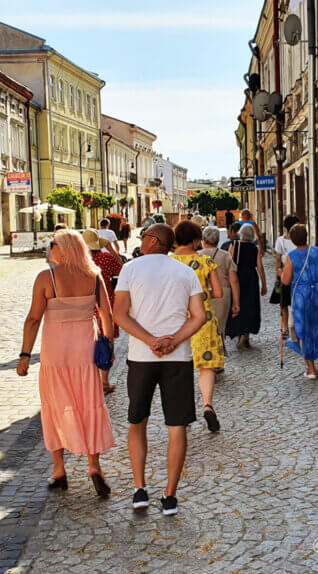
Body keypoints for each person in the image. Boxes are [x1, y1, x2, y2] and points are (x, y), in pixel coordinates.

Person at [113, 223, 207, 516]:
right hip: (177, 358)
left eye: (143, 237)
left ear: (153, 241)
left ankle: (140, 489)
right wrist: (174, 341)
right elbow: (199, 316)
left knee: (137, 422)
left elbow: (119, 314)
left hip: (142, 356)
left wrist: (150, 341)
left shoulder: (131, 269)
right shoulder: (185, 272)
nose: (141, 241)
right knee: (177, 427)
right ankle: (170, 495)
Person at [17, 231, 115, 497]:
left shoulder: (46, 278)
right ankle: (94, 466)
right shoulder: (93, 275)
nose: (50, 249)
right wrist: (108, 346)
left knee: (55, 406)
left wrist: (25, 354)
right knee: (90, 404)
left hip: (56, 353)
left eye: (53, 245)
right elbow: (106, 314)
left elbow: (33, 319)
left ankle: (59, 470)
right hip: (84, 349)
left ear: (65, 249)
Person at [170, 221, 225, 433]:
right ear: (195, 240)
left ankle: (181, 414)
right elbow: (218, 293)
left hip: (176, 320)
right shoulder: (205, 261)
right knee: (206, 366)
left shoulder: (170, 262)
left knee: (178, 367)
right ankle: (207, 405)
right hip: (203, 319)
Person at [280, 224, 318, 378]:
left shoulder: (291, 256)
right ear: (307, 235)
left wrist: (280, 272)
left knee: (304, 328)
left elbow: (285, 281)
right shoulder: (317, 251)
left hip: (301, 296)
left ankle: (311, 369)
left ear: (292, 239)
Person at [84, 229, 123, 395]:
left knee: (87, 343)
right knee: (107, 341)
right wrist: (111, 249)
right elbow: (122, 268)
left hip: (85, 304)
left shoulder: (79, 261)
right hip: (105, 301)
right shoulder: (106, 258)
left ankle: (88, 381)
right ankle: (104, 381)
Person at [222, 224, 266, 348]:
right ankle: (246, 334)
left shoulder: (234, 245)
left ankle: (240, 333)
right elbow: (260, 267)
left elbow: (229, 263)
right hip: (251, 278)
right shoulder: (255, 248)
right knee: (250, 305)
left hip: (237, 277)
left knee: (238, 303)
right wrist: (264, 284)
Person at [198, 225, 238, 347]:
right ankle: (219, 351)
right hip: (223, 294)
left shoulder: (197, 256)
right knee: (219, 328)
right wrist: (236, 303)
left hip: (202, 294)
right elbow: (234, 281)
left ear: (204, 240)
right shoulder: (226, 255)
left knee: (203, 327)